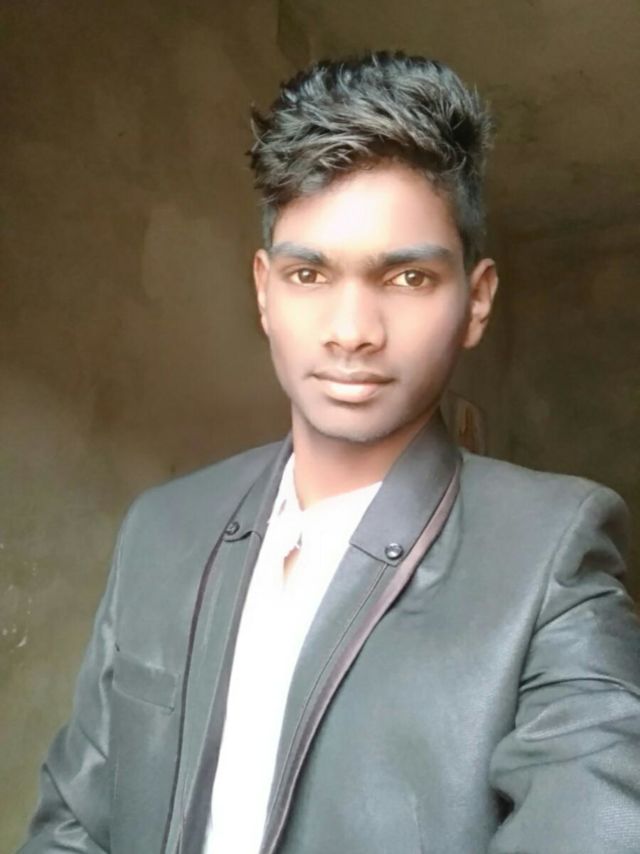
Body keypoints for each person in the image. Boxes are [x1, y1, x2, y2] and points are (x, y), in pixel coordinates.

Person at [20, 51, 640, 854]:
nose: (351, 332)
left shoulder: (550, 548)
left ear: (477, 301)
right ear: (264, 291)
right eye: (309, 274)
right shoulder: (161, 527)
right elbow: (72, 824)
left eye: (408, 279)